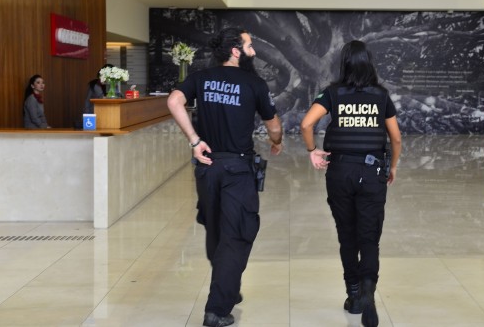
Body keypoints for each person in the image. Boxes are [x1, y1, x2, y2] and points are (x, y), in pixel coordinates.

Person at [167, 27, 283, 327]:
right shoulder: (254, 83)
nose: (253, 51)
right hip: (237, 169)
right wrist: (277, 140)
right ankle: (217, 309)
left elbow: (173, 102)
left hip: (206, 167)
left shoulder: (200, 79)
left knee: (215, 229)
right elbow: (273, 125)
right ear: (235, 51)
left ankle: (227, 285)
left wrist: (194, 140)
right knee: (238, 233)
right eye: (249, 46)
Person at [300, 40, 402, 327]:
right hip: (372, 174)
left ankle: (354, 294)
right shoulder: (381, 96)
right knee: (369, 238)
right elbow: (395, 138)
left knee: (347, 235)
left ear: (343, 63)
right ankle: (368, 289)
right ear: (369, 63)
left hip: (340, 172)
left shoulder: (333, 93)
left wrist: (312, 151)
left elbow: (307, 124)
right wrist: (392, 166)